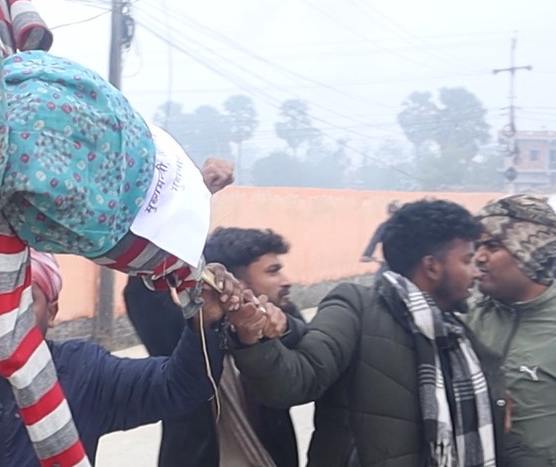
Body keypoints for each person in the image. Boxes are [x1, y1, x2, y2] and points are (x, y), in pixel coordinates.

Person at [0, 249, 245, 466]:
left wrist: (204, 322)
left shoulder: (87, 371)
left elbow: (180, 385)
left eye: (25, 298)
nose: (7, 310)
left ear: (51, 312)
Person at [229, 200, 507, 467]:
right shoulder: (357, 308)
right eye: (468, 260)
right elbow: (293, 382)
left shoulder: (458, 337)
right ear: (432, 266)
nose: (476, 273)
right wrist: (255, 339)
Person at [123, 227, 305, 467]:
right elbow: (142, 293)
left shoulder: (283, 322)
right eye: (273, 272)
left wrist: (276, 331)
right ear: (236, 282)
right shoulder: (185, 335)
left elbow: (309, 347)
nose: (286, 281)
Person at [467, 194, 556, 466]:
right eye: (477, 246)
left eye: (493, 246)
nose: (478, 258)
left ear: (531, 250)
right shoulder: (469, 320)